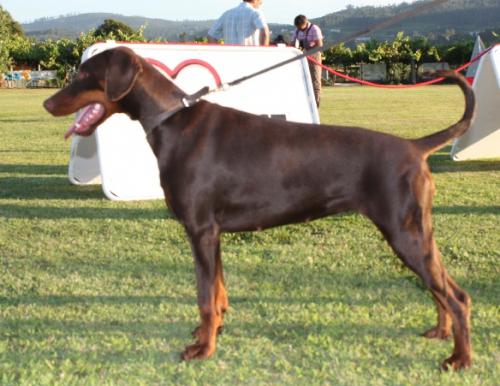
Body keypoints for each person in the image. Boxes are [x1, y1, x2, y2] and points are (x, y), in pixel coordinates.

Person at [291, 15, 323, 107]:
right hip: (301, 57)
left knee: (315, 81)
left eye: (301, 28)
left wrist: (309, 51)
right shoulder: (297, 30)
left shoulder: (314, 29)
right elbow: (292, 44)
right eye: (298, 28)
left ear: (305, 23)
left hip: (314, 57)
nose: (299, 30)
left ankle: (316, 104)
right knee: (301, 81)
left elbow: (320, 45)